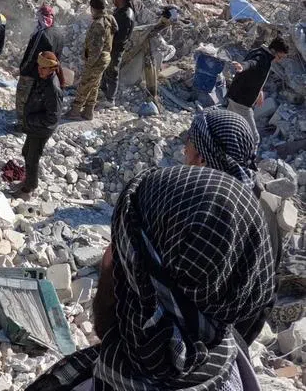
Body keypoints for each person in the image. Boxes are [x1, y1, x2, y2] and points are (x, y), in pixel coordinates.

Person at [26, 165, 274, 391]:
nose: (107, 255)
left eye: (121, 246)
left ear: (144, 280)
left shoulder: (91, 381)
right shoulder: (234, 363)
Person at [183, 107, 283, 341]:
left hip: (195, 347)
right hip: (236, 341)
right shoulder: (263, 204)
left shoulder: (204, 211)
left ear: (201, 158)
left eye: (189, 141)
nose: (184, 148)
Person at [226, 37, 290, 139]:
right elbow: (252, 63)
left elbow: (255, 75)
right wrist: (242, 66)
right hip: (242, 102)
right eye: (279, 57)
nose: (279, 60)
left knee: (227, 126)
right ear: (273, 51)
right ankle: (249, 155)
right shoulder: (262, 58)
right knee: (254, 137)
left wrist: (259, 91)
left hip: (235, 96)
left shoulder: (259, 51)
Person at [17, 51, 62, 194]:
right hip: (34, 125)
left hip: (41, 128)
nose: (39, 70)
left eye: (43, 68)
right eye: (39, 66)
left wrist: (30, 120)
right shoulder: (43, 77)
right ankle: (28, 180)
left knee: (32, 157)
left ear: (52, 69)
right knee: (26, 152)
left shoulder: (53, 89)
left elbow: (52, 118)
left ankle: (29, 187)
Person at [120, 5, 179, 109]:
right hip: (140, 61)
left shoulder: (154, 29)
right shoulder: (153, 32)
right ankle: (151, 97)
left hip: (138, 58)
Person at [15, 4, 64, 130]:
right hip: (47, 73)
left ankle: (22, 124)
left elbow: (31, 55)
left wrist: (23, 69)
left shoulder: (42, 34)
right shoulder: (59, 33)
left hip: (33, 72)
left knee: (23, 98)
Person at [67, 0, 115, 121]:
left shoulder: (98, 24)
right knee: (94, 84)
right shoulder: (109, 18)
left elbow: (96, 49)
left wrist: (89, 64)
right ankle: (88, 112)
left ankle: (75, 111)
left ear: (94, 9)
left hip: (97, 59)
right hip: (105, 57)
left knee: (85, 83)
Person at [100, 0, 135, 103]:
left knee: (113, 72)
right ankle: (103, 91)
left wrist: (109, 38)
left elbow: (122, 37)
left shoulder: (126, 15)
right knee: (106, 69)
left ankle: (111, 99)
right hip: (111, 46)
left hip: (116, 48)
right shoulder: (120, 10)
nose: (113, 0)